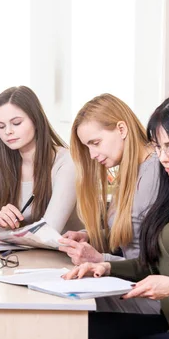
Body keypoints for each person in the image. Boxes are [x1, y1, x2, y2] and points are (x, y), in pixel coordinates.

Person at [64, 92, 169, 339]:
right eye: (160, 147)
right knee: (79, 336)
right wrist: (107, 266)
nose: (164, 157)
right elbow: (152, 264)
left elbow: (163, 275)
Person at [59, 94, 160, 314]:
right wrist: (90, 236)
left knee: (69, 309)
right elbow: (131, 229)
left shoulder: (154, 174)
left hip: (149, 297)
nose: (93, 154)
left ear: (122, 129)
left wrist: (100, 259)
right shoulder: (132, 170)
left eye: (95, 143)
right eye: (88, 147)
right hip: (132, 285)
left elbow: (155, 264)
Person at [0, 86, 82, 233]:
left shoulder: (67, 162)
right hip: (25, 253)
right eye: (1, 126)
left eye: (16, 123)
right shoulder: (5, 169)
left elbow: (49, 231)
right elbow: (4, 236)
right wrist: (2, 224)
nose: (8, 131)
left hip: (64, 253)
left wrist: (13, 235)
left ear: (36, 120)